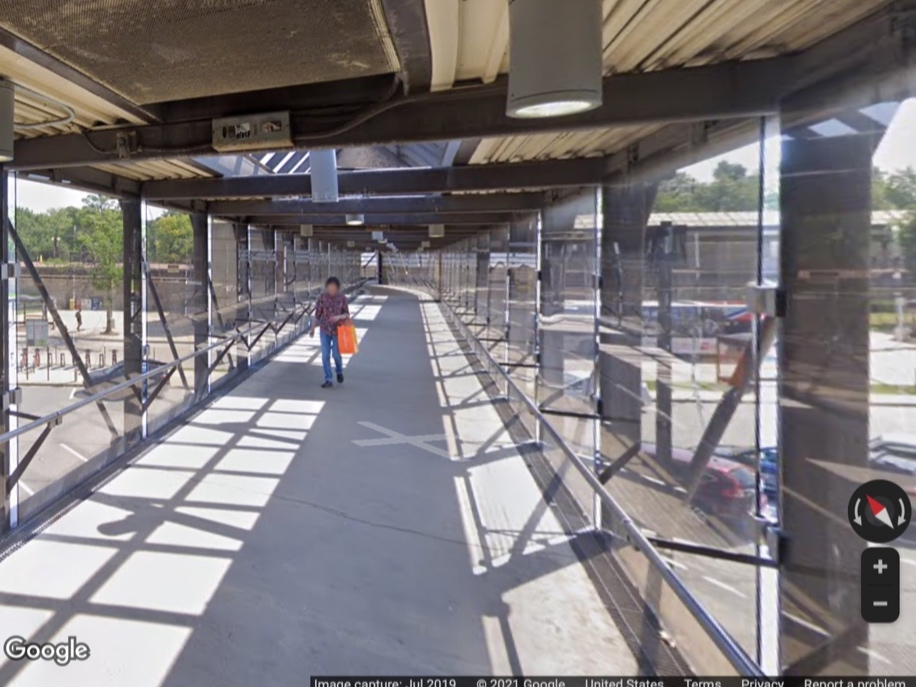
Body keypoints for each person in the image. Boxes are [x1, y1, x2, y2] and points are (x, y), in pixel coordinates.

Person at [310, 277, 350, 388]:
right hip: (325, 330)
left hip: (338, 330)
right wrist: (312, 328)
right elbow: (317, 314)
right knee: (325, 355)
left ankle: (339, 370)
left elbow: (347, 314)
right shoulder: (323, 298)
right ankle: (328, 378)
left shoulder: (342, 298)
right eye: (329, 287)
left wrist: (339, 317)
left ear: (337, 288)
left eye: (333, 288)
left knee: (336, 354)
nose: (331, 290)